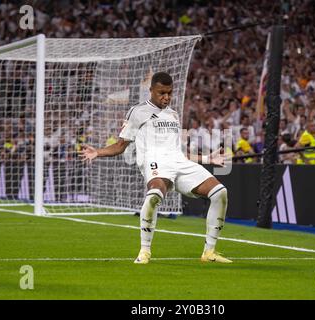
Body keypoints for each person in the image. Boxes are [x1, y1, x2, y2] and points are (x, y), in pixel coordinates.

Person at [79, 72, 231, 264]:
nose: (166, 97)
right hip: (155, 162)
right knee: (155, 195)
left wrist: (208, 158)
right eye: (161, 93)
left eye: (169, 93)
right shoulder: (137, 112)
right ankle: (145, 251)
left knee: (220, 192)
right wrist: (97, 152)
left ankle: (209, 252)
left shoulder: (173, 114)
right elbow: (120, 146)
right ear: (150, 91)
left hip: (178, 162)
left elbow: (180, 152)